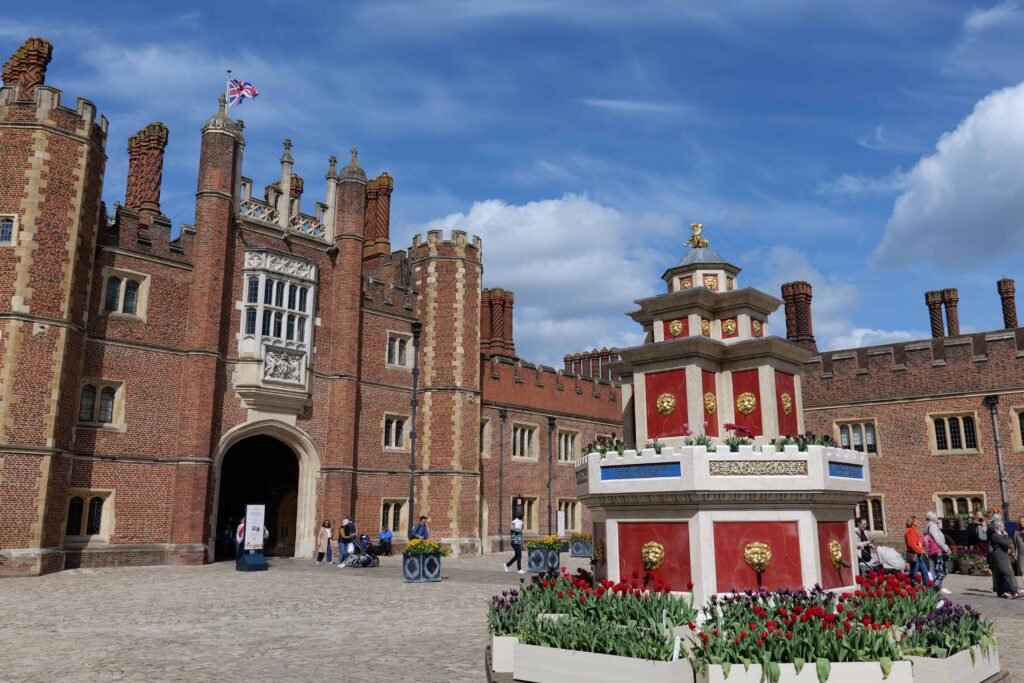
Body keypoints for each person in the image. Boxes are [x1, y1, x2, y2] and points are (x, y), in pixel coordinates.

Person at [989, 520, 1021, 598]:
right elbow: (1006, 544)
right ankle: (1014, 592)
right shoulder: (995, 535)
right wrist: (1006, 536)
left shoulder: (998, 535)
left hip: (1001, 556)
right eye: (1003, 526)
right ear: (999, 527)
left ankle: (1000, 592)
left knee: (1000, 575)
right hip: (1000, 557)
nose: (1004, 527)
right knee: (1007, 573)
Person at [924, 511, 952, 594]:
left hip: (935, 551)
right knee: (941, 571)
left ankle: (936, 587)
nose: (937, 519)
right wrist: (945, 548)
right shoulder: (932, 526)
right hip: (936, 551)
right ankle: (936, 587)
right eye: (936, 517)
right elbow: (937, 539)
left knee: (935, 570)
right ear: (932, 518)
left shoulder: (931, 526)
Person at [904, 516, 928, 584]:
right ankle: (907, 583)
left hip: (918, 554)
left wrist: (921, 549)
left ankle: (927, 587)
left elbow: (917, 542)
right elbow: (911, 544)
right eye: (916, 520)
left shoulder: (914, 530)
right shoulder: (909, 531)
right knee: (913, 573)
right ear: (913, 522)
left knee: (924, 571)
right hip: (914, 554)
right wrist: (920, 550)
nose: (918, 522)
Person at [1014, 515, 1024, 580]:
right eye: (1020, 521)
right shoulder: (1016, 532)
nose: (1022, 523)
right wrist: (1014, 554)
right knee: (1022, 570)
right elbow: (1014, 544)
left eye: (1023, 521)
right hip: (1021, 554)